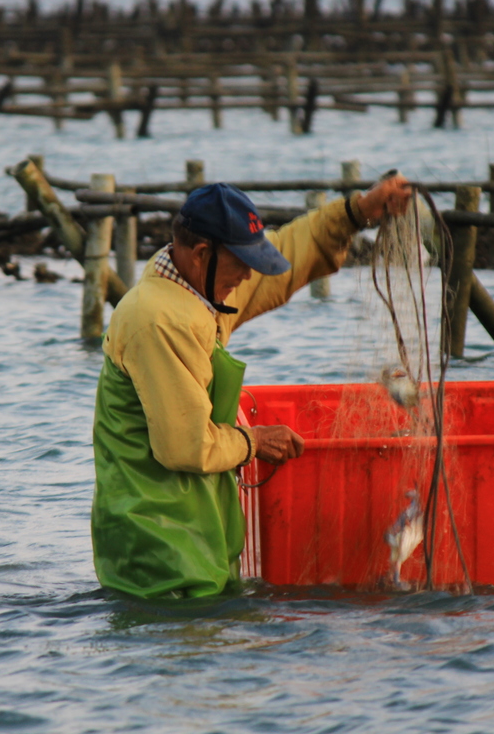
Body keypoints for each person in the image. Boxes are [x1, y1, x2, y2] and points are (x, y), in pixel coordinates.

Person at [91, 175, 413, 598]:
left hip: (192, 534)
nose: (248, 276)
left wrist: (358, 212)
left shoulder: (195, 289)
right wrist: (255, 440)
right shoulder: (160, 319)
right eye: (241, 262)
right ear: (202, 253)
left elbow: (285, 257)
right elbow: (186, 446)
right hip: (156, 549)